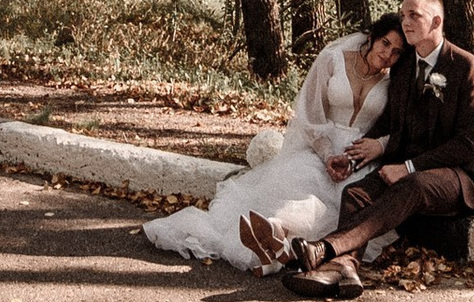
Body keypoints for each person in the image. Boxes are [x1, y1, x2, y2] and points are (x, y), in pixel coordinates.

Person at [251, 0, 474, 299]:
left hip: (456, 176)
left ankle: (324, 248)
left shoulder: (468, 69)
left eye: (414, 15)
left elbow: (466, 144)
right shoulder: (403, 68)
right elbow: (387, 123)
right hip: (407, 167)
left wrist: (408, 166)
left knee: (413, 184)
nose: (405, 21)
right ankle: (344, 267)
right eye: (403, 14)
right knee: (356, 192)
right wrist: (353, 158)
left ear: (436, 22)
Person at [143, 15, 407, 273]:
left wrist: (376, 147)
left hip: (360, 156)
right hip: (320, 146)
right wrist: (327, 153)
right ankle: (275, 236)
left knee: (343, 200)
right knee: (305, 181)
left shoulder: (395, 79)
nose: (388, 55)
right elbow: (309, 114)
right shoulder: (333, 59)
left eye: (396, 52)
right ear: (371, 38)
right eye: (385, 43)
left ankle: (274, 247)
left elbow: (399, 126)